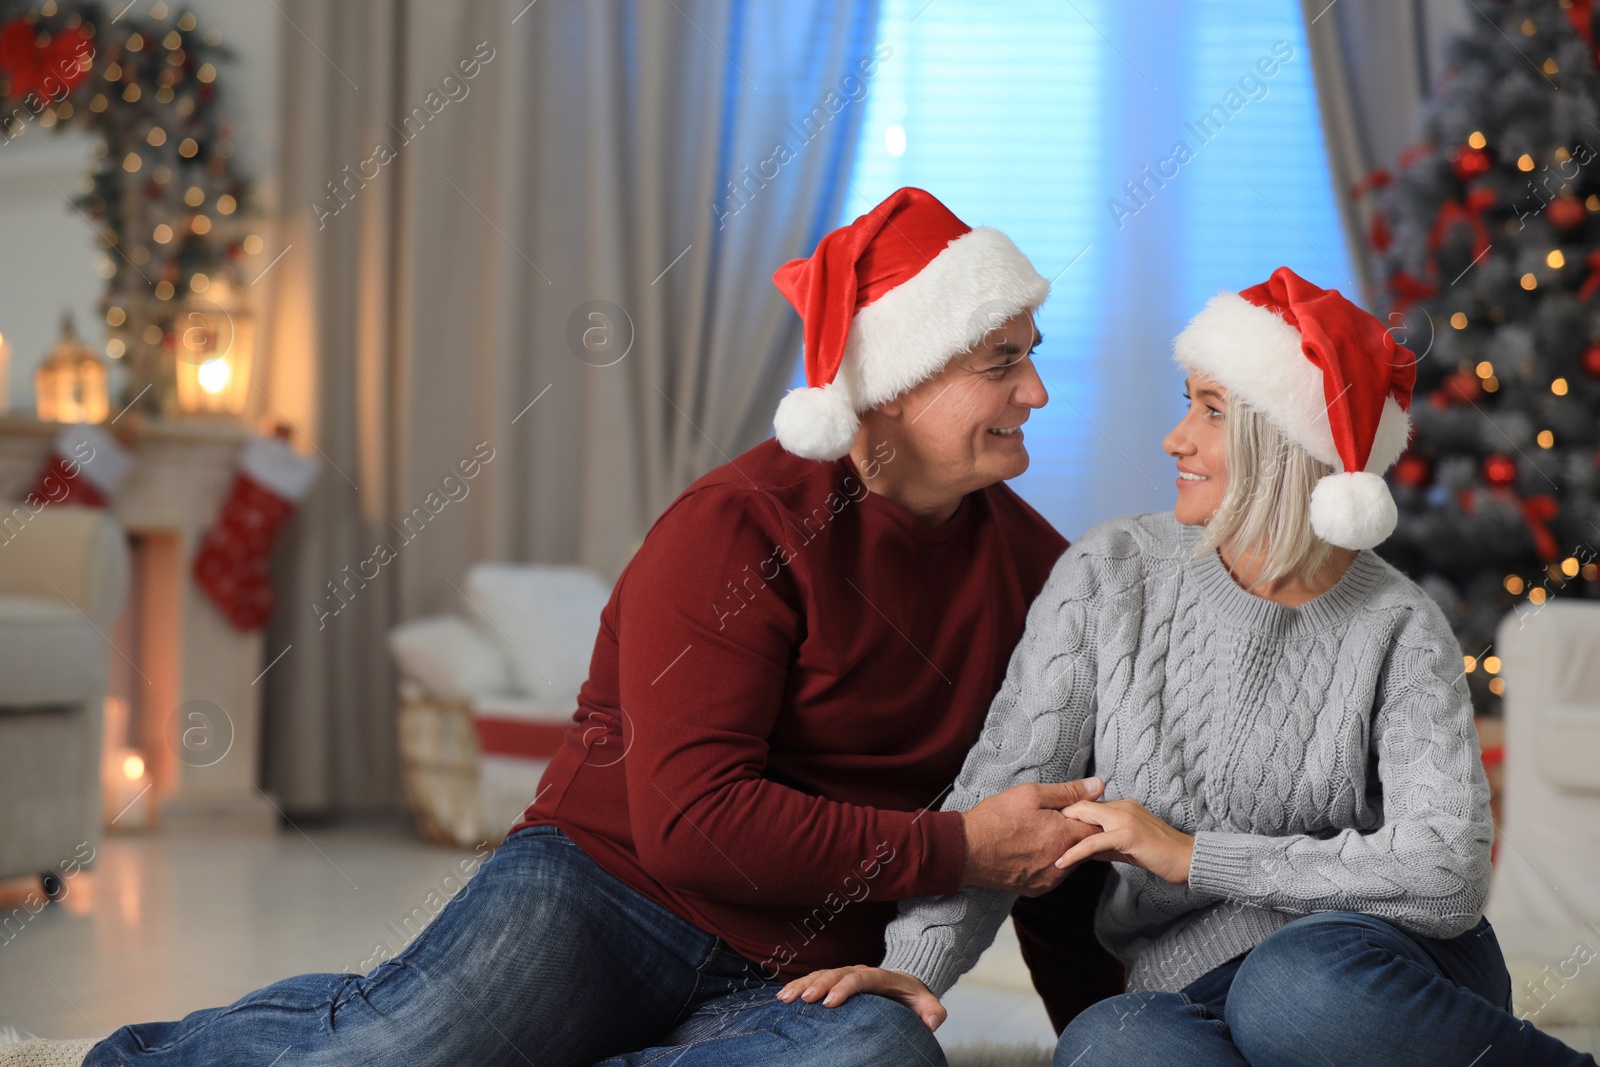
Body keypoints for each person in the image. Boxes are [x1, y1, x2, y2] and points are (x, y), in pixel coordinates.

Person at [70, 188, 1117, 1067]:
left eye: (1030, 354)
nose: (1036, 389)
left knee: (877, 1053)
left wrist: (1095, 1036)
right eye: (1000, 361)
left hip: (799, 965)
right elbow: (692, 818)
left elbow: (1053, 835)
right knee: (385, 1047)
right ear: (892, 382)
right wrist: (955, 848)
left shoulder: (1042, 573)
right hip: (609, 893)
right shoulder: (738, 525)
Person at [781, 266, 1600, 1066]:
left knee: (1290, 990)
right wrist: (914, 968)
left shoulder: (1398, 625)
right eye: (1187, 404)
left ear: (1283, 444)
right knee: (1107, 1046)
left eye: (1210, 411)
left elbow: (1447, 871)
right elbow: (1004, 788)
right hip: (1190, 985)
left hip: (1372, 968)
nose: (1177, 438)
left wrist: (1196, 854)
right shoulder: (1112, 573)